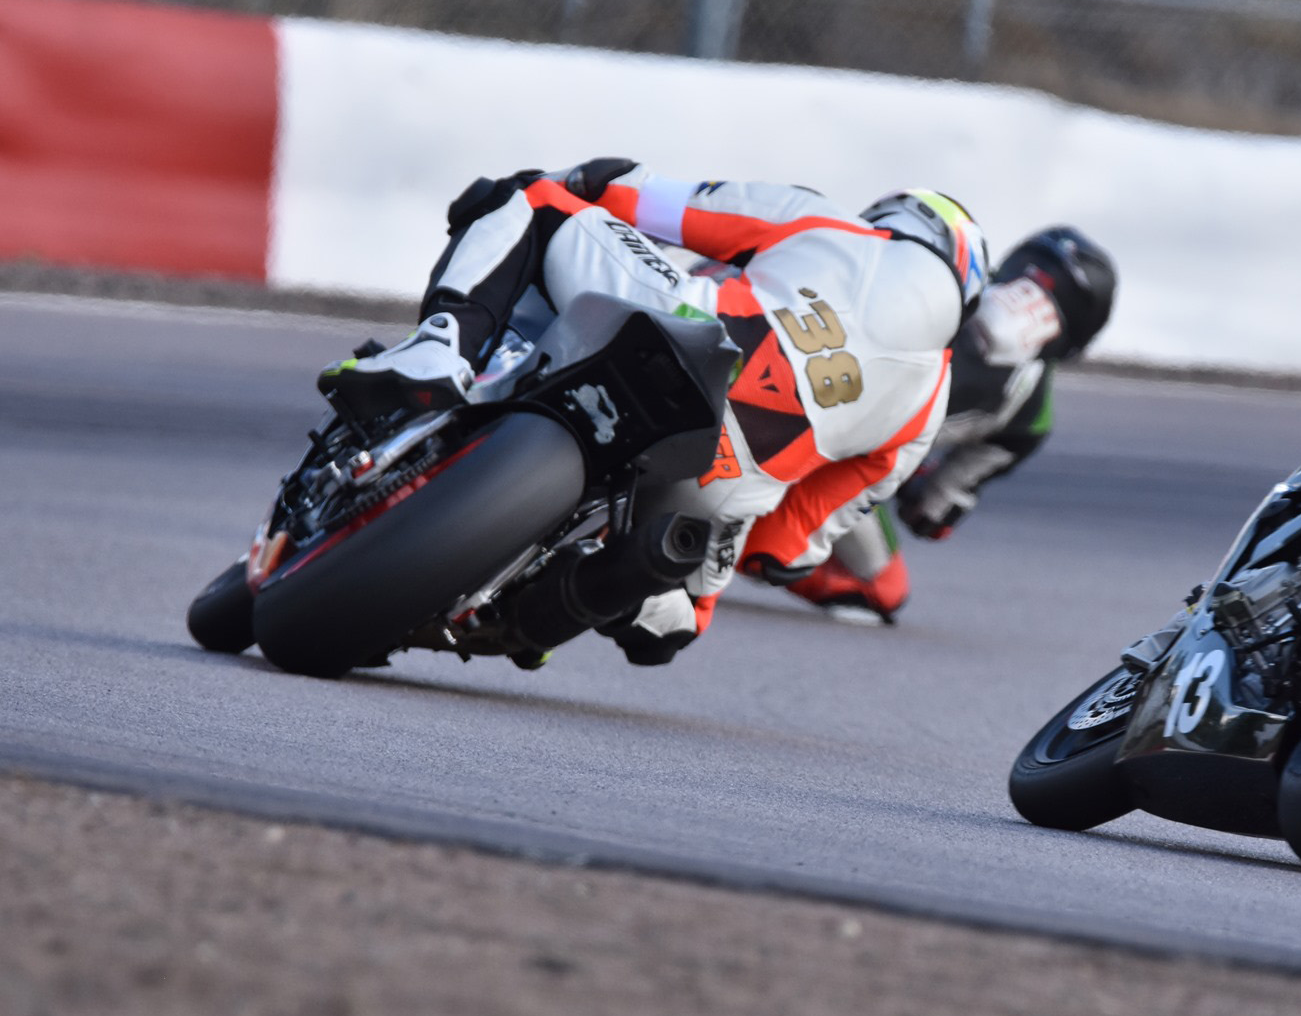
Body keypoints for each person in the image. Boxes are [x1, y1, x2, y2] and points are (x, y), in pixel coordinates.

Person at [321, 157, 989, 666]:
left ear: (895, 220)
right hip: (723, 487)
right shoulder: (925, 412)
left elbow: (641, 198)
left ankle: (439, 352)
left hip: (686, 335)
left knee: (532, 198)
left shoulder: (832, 223)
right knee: (673, 619)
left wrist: (588, 179)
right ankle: (565, 597)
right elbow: (786, 550)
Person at [779, 227, 1118, 621]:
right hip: (833, 448)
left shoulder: (943, 269)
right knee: (882, 590)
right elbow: (930, 516)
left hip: (791, 359)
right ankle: (752, 545)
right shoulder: (1031, 417)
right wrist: (913, 468)